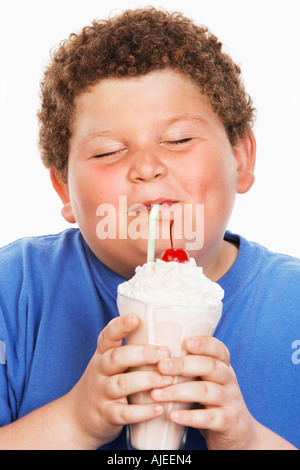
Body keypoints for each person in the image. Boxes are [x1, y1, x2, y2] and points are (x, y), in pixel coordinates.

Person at [0, 7, 299, 450]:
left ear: (240, 157)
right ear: (63, 187)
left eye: (178, 140)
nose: (146, 167)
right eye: (108, 152)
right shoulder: (16, 289)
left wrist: (247, 441)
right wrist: (74, 421)